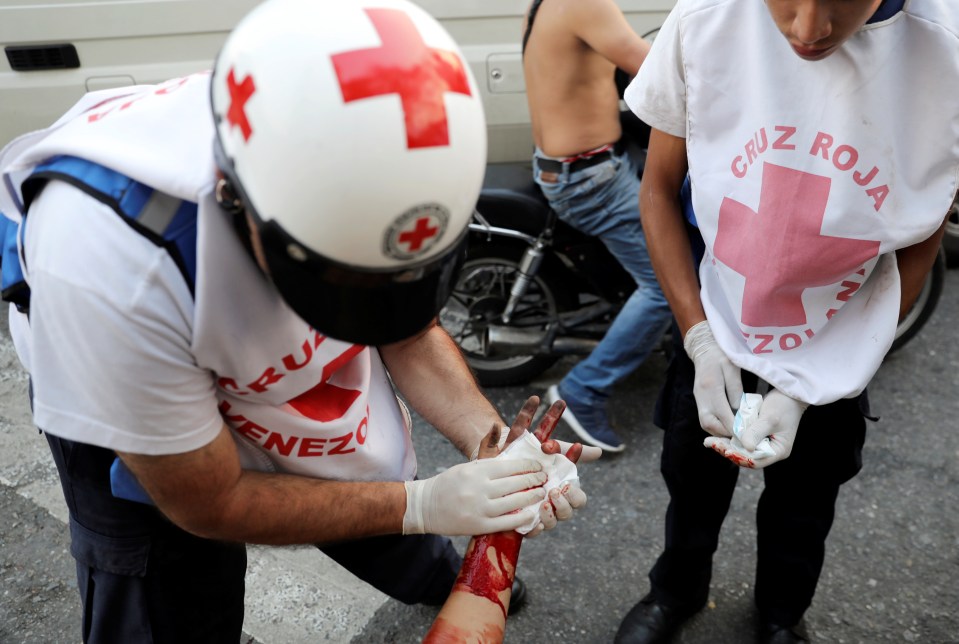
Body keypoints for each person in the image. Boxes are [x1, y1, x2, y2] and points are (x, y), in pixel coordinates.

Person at [0, 0, 600, 642]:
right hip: (129, 391)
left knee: (358, 468)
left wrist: (493, 449)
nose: (366, 310)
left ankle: (429, 569)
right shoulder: (107, 265)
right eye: (343, 283)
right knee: (170, 586)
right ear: (235, 197)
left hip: (237, 333)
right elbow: (210, 500)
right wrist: (421, 505)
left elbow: (406, 327)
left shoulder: (352, 154)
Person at [615, 0, 958, 643]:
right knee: (691, 480)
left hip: (838, 335)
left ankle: (781, 616)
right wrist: (698, 337)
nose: (808, 31)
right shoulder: (706, 20)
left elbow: (924, 232)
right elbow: (659, 187)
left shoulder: (945, 50)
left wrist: (825, 374)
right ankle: (675, 591)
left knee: (805, 503)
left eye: (838, 4)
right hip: (717, 314)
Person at [523, 0, 673, 453]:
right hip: (590, 179)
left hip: (578, 166)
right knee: (667, 283)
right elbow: (654, 70)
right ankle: (582, 390)